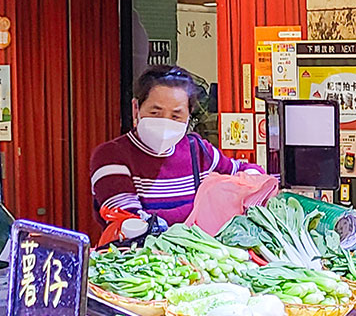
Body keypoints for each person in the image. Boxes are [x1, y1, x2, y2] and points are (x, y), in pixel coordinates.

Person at [90, 65, 265, 225]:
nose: (165, 122)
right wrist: (207, 207)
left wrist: (247, 184)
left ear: (189, 116)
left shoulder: (197, 150)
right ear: (136, 108)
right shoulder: (111, 156)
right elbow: (130, 222)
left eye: (176, 116)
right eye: (155, 112)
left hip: (196, 259)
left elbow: (249, 171)